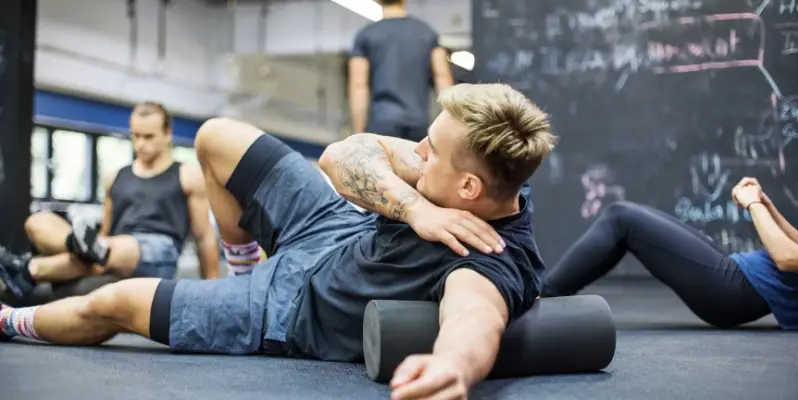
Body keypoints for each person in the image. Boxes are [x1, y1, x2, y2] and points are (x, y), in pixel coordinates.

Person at [0, 84, 556, 399]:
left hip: (285, 309)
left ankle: (6, 319)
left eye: (431, 150)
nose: (419, 152)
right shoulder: (450, 175)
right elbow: (341, 157)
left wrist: (454, 367)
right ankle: (244, 266)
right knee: (217, 138)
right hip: (334, 228)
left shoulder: (487, 260)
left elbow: (474, 319)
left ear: (468, 188)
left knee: (113, 304)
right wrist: (413, 206)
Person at [0, 102, 221, 301]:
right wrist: (91, 249)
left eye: (149, 136)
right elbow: (105, 233)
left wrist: (214, 293)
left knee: (109, 247)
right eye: (135, 136)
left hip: (158, 251)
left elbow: (204, 237)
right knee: (38, 221)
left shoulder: (187, 175)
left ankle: (29, 268)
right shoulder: (115, 177)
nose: (140, 144)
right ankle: (69, 251)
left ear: (167, 134)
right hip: (109, 252)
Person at [542, 177, 798, 330]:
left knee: (622, 218)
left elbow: (787, 258)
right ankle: (544, 296)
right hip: (736, 276)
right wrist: (765, 203)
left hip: (733, 291)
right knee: (624, 219)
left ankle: (541, 299)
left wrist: (753, 203)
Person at [349, 0, 455, 142]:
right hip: (418, 123)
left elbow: (358, 86)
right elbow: (442, 77)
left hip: (381, 124)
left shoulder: (366, 35)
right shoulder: (427, 33)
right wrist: (451, 120)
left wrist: (359, 131)